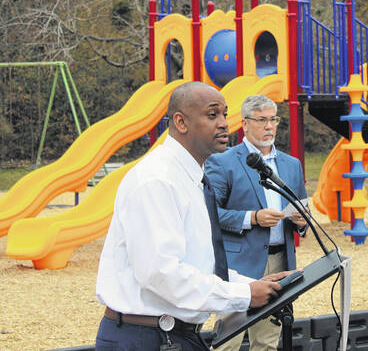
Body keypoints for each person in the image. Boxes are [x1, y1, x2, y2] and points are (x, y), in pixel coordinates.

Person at [95, 82, 291, 351]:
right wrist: (242, 295)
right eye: (212, 115)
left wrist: (252, 284)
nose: (224, 123)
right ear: (181, 122)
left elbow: (200, 264)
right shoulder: (157, 180)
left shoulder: (194, 179)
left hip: (176, 335)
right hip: (147, 337)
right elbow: (162, 273)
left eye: (224, 113)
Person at [204, 94, 308, 351]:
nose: (269, 126)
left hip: (280, 260)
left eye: (273, 119)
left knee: (268, 341)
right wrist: (252, 218)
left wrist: (301, 221)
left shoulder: (291, 164)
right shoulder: (223, 161)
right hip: (239, 265)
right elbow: (209, 213)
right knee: (229, 340)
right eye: (262, 120)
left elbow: (302, 212)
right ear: (245, 124)